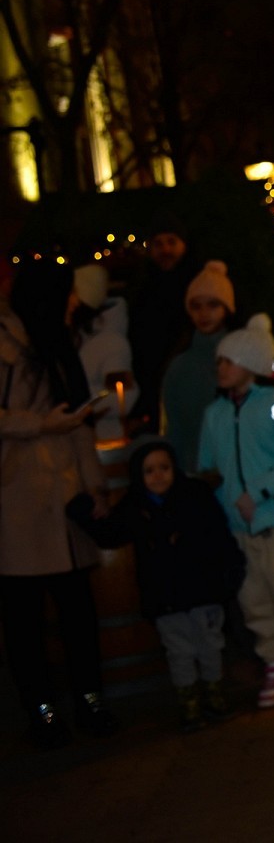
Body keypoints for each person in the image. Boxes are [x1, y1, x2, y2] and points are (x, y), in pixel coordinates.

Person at [0, 258, 120, 747]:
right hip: (16, 503)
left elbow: (78, 421)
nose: (73, 303)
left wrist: (95, 486)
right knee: (25, 622)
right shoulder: (7, 346)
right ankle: (43, 714)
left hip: (65, 499)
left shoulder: (56, 342)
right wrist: (38, 424)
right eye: (66, 294)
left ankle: (91, 702)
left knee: (78, 615)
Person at [68, 439, 244, 732]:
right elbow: (111, 533)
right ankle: (189, 704)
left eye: (164, 468)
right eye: (149, 471)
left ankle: (214, 696)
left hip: (203, 591)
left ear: (175, 468)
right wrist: (85, 514)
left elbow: (218, 535)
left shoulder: (195, 496)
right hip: (165, 598)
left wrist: (231, 569)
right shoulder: (136, 506)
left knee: (210, 645)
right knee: (179, 651)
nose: (158, 476)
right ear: (139, 476)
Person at [196, 313, 274, 709]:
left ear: (249, 363)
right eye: (219, 361)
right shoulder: (214, 414)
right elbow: (208, 467)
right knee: (255, 603)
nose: (220, 368)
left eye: (228, 361)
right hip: (238, 527)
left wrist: (258, 491)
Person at [161, 259, 239, 474]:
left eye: (213, 305)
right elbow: (175, 428)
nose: (204, 313)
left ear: (227, 308)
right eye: (196, 306)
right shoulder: (179, 367)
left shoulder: (245, 359)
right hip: (196, 470)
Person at [127, 212, 195, 433]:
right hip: (155, 388)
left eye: (171, 242)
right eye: (158, 244)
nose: (165, 250)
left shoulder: (197, 285)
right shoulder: (142, 289)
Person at [72, 263, 138, 443]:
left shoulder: (111, 344)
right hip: (87, 439)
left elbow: (123, 397)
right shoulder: (81, 337)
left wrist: (79, 399)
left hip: (106, 440)